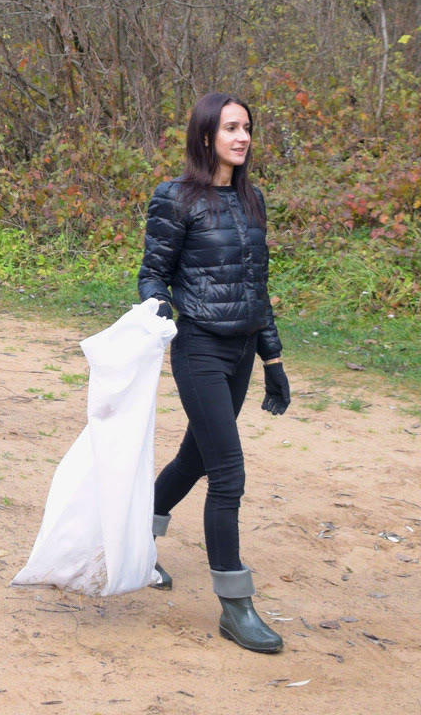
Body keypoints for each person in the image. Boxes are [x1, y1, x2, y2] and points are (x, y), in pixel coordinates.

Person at [139, 92, 291, 654]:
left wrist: (272, 360)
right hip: (200, 346)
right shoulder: (176, 198)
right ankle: (236, 606)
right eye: (230, 128)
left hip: (243, 351)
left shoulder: (253, 201)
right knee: (228, 473)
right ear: (206, 136)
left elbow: (258, 290)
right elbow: (153, 273)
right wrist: (158, 311)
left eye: (247, 127)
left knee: (195, 458)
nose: (242, 137)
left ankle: (138, 535)